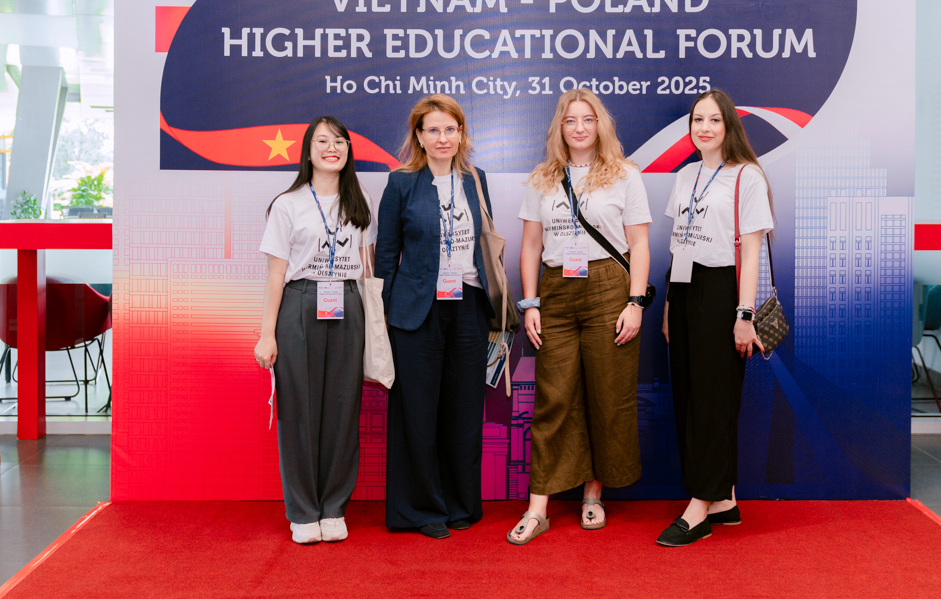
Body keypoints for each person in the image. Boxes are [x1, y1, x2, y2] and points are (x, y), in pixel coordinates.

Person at [507, 88, 652, 545]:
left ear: (600, 125)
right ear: (559, 128)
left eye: (588, 119)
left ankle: (593, 495)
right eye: (570, 120)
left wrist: (635, 303)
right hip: (555, 291)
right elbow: (531, 246)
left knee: (607, 395)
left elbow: (639, 244)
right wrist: (530, 303)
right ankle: (538, 507)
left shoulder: (625, 175)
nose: (579, 128)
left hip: (609, 287)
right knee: (553, 398)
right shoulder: (542, 179)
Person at [655, 89, 775, 547]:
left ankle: (698, 509)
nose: (704, 128)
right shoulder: (685, 176)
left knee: (713, 399)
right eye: (697, 120)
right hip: (684, 288)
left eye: (714, 120)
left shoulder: (747, 177)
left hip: (724, 290)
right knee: (689, 395)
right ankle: (724, 499)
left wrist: (744, 314)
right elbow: (678, 244)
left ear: (729, 126)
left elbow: (752, 252)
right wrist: (670, 304)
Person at [375, 94, 495, 539]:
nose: (442, 138)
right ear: (419, 137)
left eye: (450, 129)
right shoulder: (401, 183)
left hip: (468, 305)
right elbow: (386, 255)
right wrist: (385, 317)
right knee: (417, 413)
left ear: (461, 134)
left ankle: (460, 505)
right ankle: (420, 510)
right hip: (415, 312)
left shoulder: (476, 180)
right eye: (433, 130)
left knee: (463, 411)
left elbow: (486, 244)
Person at [254, 116, 376, 545]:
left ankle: (333, 507)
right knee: (300, 411)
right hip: (300, 303)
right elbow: (276, 274)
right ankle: (303, 512)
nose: (332, 148)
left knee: (343, 411)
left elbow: (368, 269)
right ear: (308, 151)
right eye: (322, 141)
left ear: (348, 150)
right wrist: (267, 333)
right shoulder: (287, 204)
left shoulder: (360, 201)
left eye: (340, 141)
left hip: (348, 303)